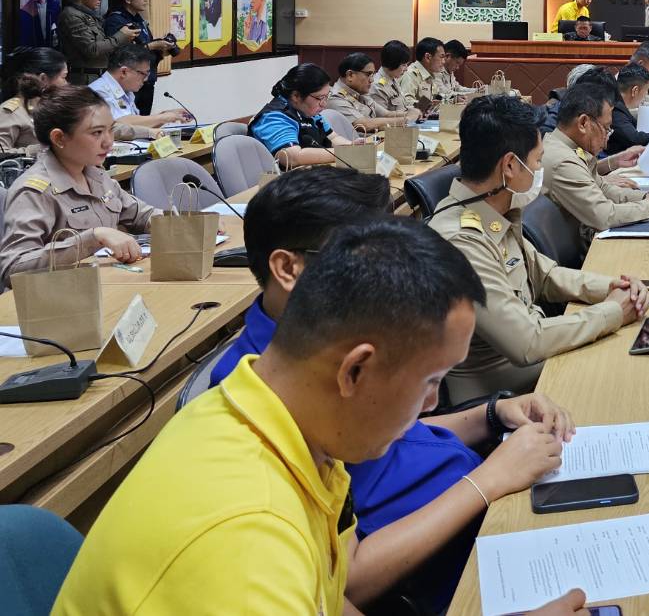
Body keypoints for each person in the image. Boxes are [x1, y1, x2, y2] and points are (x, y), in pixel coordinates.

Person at [53, 218, 591, 616]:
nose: (433, 405)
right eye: (430, 382)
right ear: (355, 371)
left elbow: (332, 602)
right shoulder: (246, 543)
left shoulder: (271, 414)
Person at [208, 169, 575, 613]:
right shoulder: (272, 401)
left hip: (483, 495)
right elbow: (342, 583)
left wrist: (489, 416)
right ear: (288, 268)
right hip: (457, 558)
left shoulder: (336, 365)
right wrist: (488, 480)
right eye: (361, 257)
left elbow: (396, 433)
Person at [430, 95, 649, 401]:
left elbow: (545, 276)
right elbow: (527, 342)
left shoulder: (493, 212)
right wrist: (612, 312)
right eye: (536, 161)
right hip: (506, 393)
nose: (539, 169)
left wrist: (614, 286)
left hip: (538, 366)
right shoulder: (460, 240)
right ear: (509, 165)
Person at [0, 86, 154, 291]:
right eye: (97, 133)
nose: (109, 142)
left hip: (106, 286)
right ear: (59, 138)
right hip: (62, 302)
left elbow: (142, 215)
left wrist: (185, 223)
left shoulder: (94, 174)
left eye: (110, 130)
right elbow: (12, 268)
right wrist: (91, 238)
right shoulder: (34, 191)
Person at [541, 83, 649, 247]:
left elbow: (603, 188)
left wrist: (646, 197)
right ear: (583, 123)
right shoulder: (563, 161)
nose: (606, 141)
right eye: (605, 128)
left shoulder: (571, 148)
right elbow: (604, 216)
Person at [250, 63, 361, 168]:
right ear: (296, 96)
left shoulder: (308, 110)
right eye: (319, 98)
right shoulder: (273, 117)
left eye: (327, 96)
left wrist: (352, 146)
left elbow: (333, 137)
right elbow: (292, 157)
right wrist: (345, 153)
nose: (324, 104)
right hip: (286, 183)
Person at [103, 0, 178, 114]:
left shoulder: (139, 19)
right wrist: (153, 45)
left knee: (143, 121)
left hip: (146, 80)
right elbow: (122, 53)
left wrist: (161, 50)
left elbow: (144, 47)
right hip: (128, 82)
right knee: (129, 123)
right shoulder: (116, 20)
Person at [89, 44, 192, 139]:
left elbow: (136, 127)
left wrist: (166, 116)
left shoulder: (126, 91)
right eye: (144, 74)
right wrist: (163, 117)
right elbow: (118, 125)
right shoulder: (98, 92)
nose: (146, 79)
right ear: (124, 72)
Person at [56, 0, 138, 86]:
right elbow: (92, 49)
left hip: (100, 76)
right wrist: (121, 36)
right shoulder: (71, 15)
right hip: (85, 79)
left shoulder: (90, 15)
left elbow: (104, 45)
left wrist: (125, 40)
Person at [0, 47, 69, 154]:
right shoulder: (10, 112)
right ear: (43, 79)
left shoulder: (49, 108)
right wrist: (38, 150)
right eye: (63, 77)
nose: (66, 83)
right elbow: (2, 154)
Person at [328, 52, 414, 132]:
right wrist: (406, 120)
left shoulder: (360, 93)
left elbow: (386, 114)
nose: (372, 80)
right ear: (350, 75)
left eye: (373, 74)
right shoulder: (335, 98)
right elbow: (365, 124)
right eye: (368, 74)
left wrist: (411, 114)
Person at [608, 65, 649, 155]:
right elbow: (635, 139)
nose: (645, 96)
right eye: (646, 91)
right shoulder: (614, 108)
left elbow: (634, 124)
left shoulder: (617, 101)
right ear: (635, 91)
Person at [369, 39, 421, 122]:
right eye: (403, 65)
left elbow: (402, 107)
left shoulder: (393, 79)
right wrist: (408, 116)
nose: (406, 69)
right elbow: (382, 119)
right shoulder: (377, 86)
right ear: (393, 63)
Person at [401, 37, 448, 116]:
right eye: (441, 57)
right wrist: (427, 104)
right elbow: (406, 103)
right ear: (427, 57)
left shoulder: (431, 74)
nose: (444, 62)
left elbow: (437, 97)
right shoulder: (410, 74)